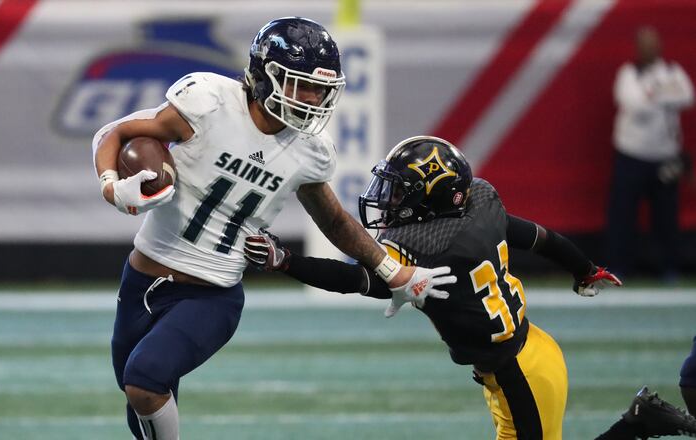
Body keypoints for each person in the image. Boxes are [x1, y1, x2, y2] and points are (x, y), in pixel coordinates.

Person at [91, 17, 450, 440]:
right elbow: (115, 134)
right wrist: (112, 187)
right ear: (265, 76)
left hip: (212, 293)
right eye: (303, 85)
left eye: (321, 89)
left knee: (144, 380)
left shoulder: (310, 152)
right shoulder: (208, 104)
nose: (314, 99)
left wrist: (392, 272)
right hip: (141, 278)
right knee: (141, 402)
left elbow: (333, 220)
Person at [244, 135, 623, 439]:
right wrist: (584, 269)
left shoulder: (432, 250)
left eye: (400, 192)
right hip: (529, 352)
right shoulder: (477, 212)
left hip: (520, 375)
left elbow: (355, 280)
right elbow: (540, 238)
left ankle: (638, 422)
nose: (388, 199)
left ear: (433, 200)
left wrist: (287, 261)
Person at [606, 26, 694, 281]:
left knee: (666, 216)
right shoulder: (628, 73)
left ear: (659, 46)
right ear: (637, 47)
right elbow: (633, 104)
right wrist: (664, 94)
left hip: (664, 157)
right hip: (631, 155)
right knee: (622, 215)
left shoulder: (672, 71)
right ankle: (618, 268)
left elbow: (687, 96)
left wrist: (652, 94)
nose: (649, 49)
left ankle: (670, 268)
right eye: (644, 44)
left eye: (652, 43)